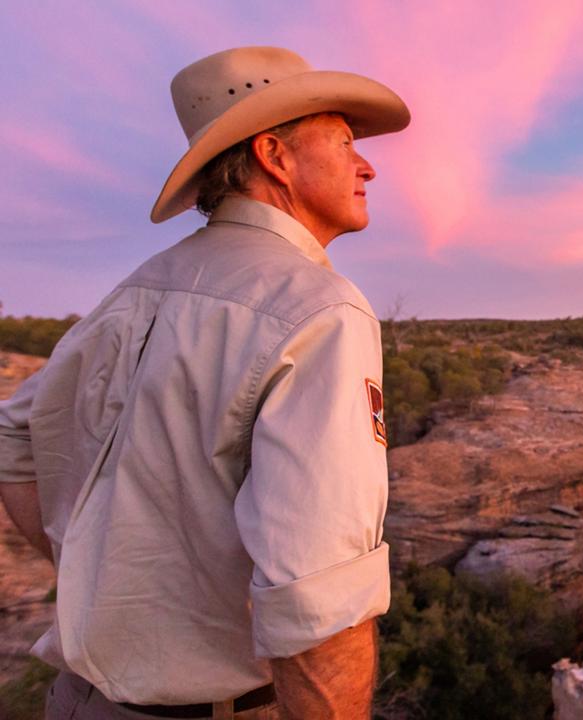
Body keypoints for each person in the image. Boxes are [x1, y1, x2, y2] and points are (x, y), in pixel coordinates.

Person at [0, 46, 410, 718]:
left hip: (78, 703)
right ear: (275, 156)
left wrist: (91, 569)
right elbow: (318, 604)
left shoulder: (132, 292)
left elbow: (12, 434)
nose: (366, 164)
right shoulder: (319, 309)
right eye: (342, 141)